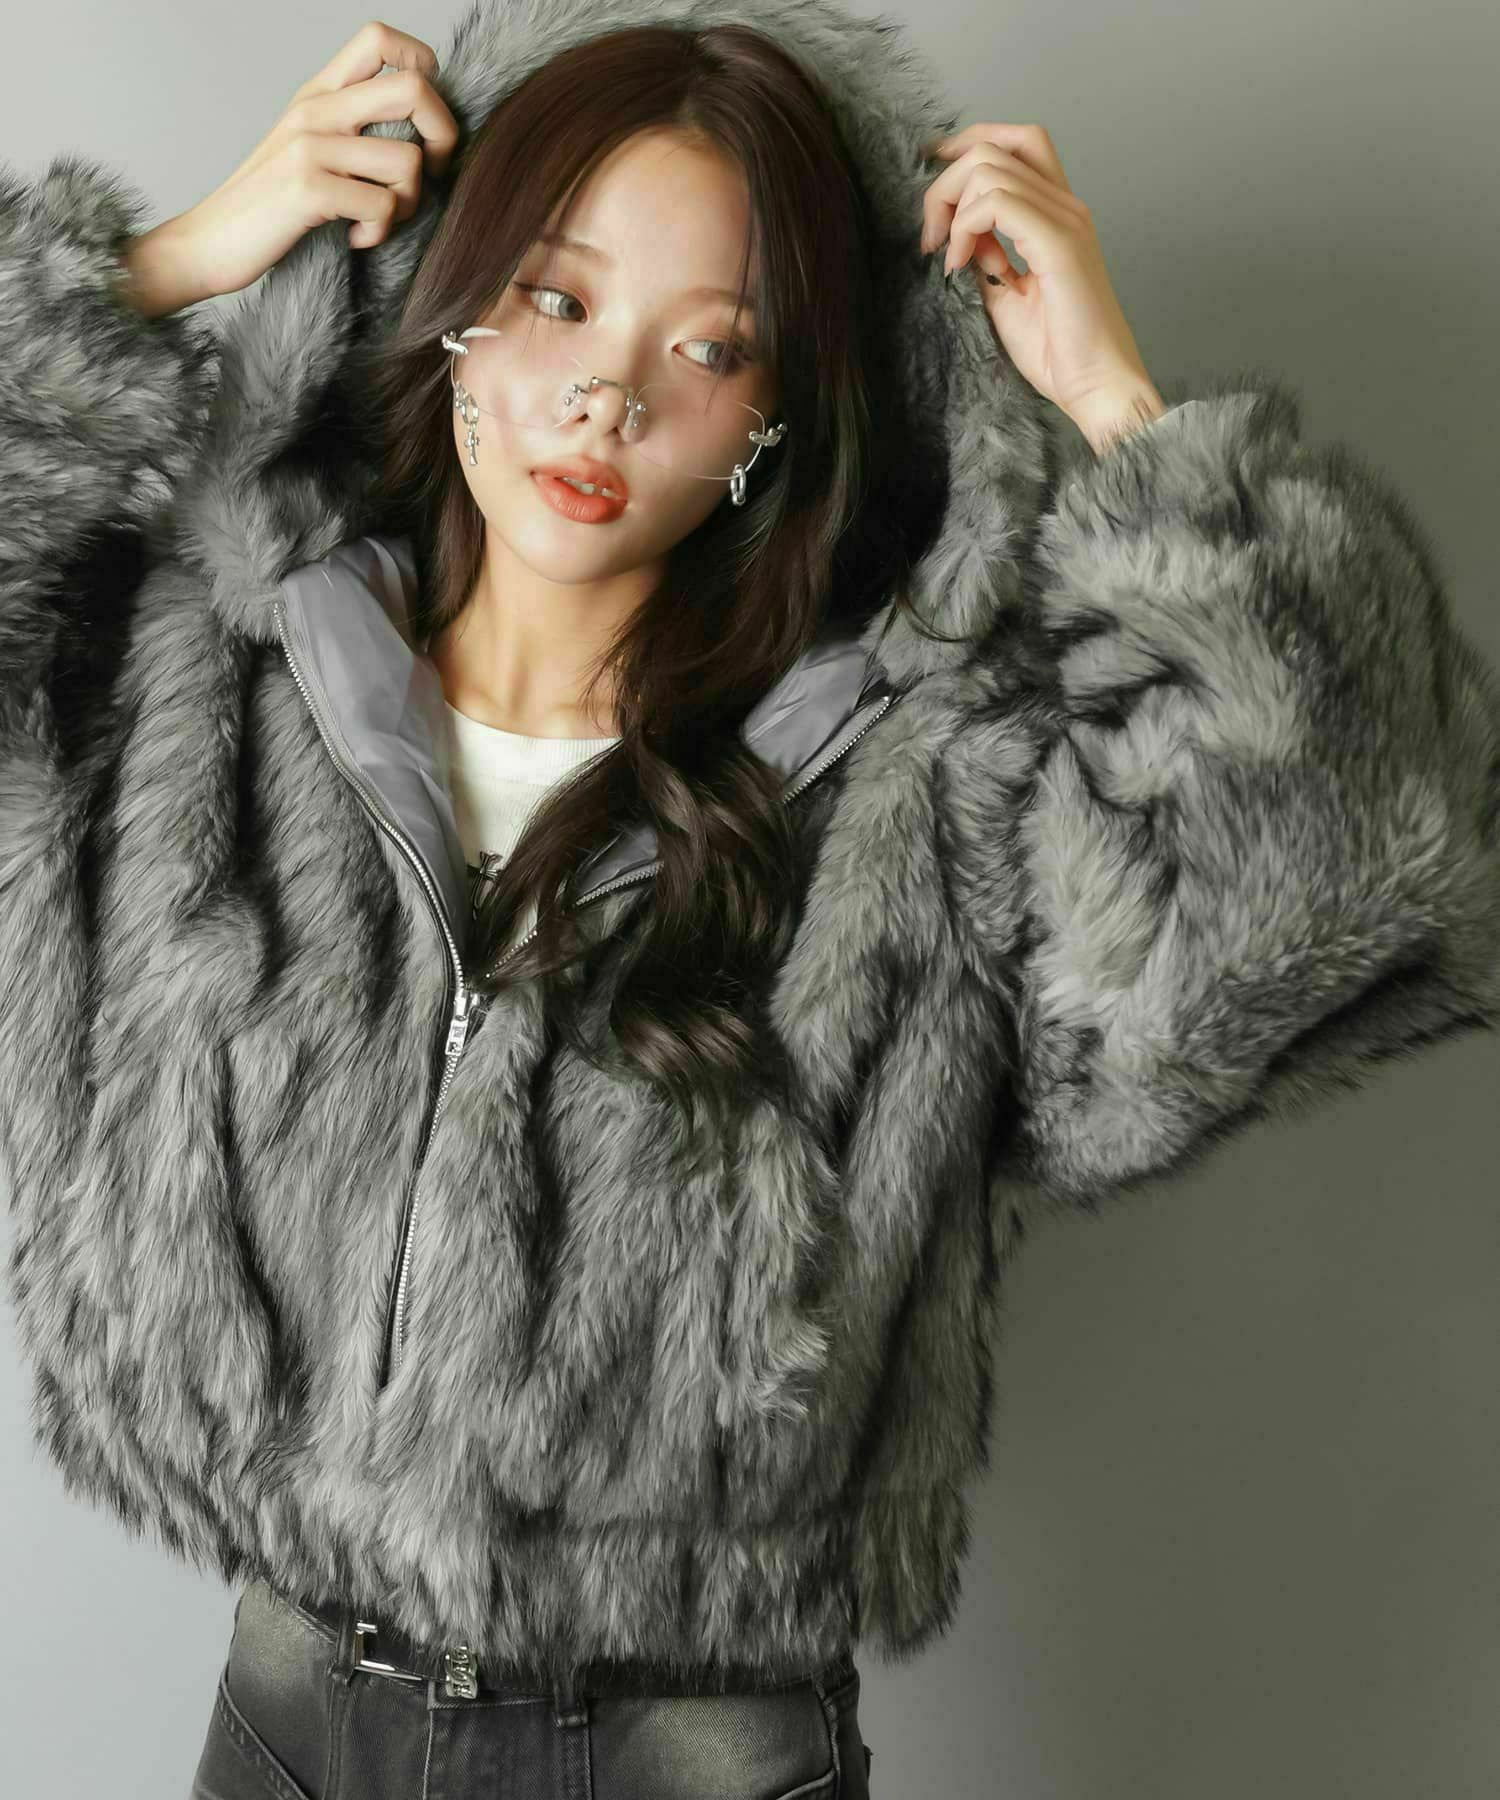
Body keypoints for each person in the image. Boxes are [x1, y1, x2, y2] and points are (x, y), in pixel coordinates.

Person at [3, 1, 1498, 1795]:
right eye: (554, 298)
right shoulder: (194, 680)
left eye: (707, 347)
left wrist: (1119, 409)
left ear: (768, 423)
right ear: (450, 306)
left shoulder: (916, 784)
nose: (608, 396)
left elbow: (1352, 886)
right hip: (289, 1717)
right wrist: (164, 267)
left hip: (691, 1750)